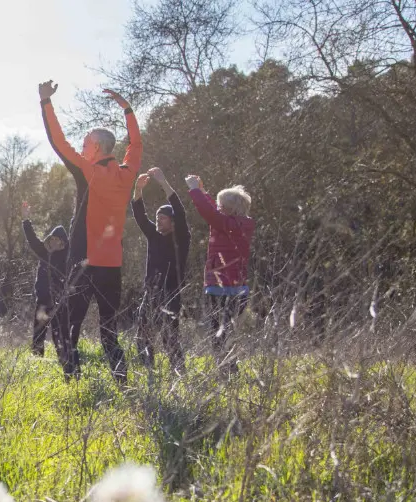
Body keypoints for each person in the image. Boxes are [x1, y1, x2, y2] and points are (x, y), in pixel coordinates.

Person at [37, 80, 141, 383]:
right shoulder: (127, 173)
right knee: (109, 329)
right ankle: (122, 382)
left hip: (84, 263)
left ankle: (73, 380)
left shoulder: (88, 171)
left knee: (70, 325)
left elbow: (58, 142)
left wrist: (45, 103)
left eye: (85, 144)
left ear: (96, 148)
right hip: (112, 265)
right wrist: (128, 109)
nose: (82, 148)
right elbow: (137, 146)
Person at [185, 175, 256, 375]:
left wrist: (194, 190)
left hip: (222, 286)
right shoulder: (235, 222)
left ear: (232, 208)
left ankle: (227, 371)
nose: (218, 207)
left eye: (221, 205)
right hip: (236, 288)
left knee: (219, 332)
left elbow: (209, 213)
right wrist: (204, 191)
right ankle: (228, 369)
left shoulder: (231, 225)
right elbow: (213, 212)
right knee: (225, 331)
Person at [131, 167, 190, 372]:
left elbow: (180, 210)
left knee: (170, 337)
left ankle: (179, 373)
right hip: (151, 293)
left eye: (162, 216)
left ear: (173, 222)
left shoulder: (181, 238)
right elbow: (139, 215)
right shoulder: (153, 236)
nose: (158, 219)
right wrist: (138, 189)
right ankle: (148, 371)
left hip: (171, 293)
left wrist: (163, 182)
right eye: (157, 216)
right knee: (143, 334)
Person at [21, 202, 68, 358]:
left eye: (59, 240)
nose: (55, 242)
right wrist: (26, 219)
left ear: (63, 243)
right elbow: (32, 238)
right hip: (42, 300)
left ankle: (64, 359)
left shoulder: (66, 258)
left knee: (58, 333)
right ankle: (36, 360)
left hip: (58, 301)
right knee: (39, 332)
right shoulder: (43, 251)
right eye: (53, 239)